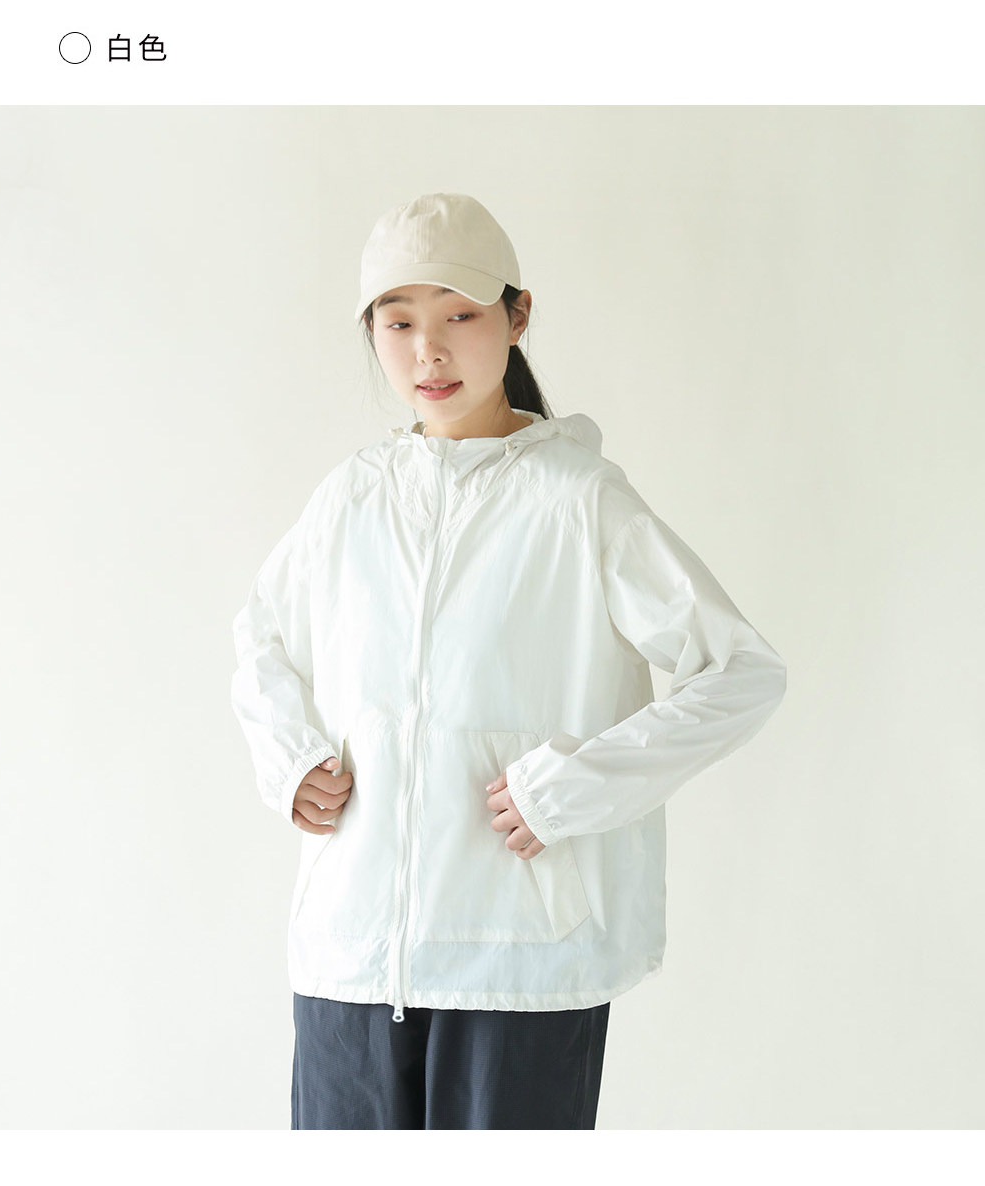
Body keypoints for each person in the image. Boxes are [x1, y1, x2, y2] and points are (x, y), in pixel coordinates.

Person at [230, 192, 787, 1130]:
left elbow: (740, 672)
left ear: (517, 316)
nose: (429, 352)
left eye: (459, 316)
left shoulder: (579, 500)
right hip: (349, 958)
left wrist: (575, 787)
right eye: (399, 323)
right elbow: (260, 639)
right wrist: (289, 759)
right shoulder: (350, 500)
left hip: (521, 965)